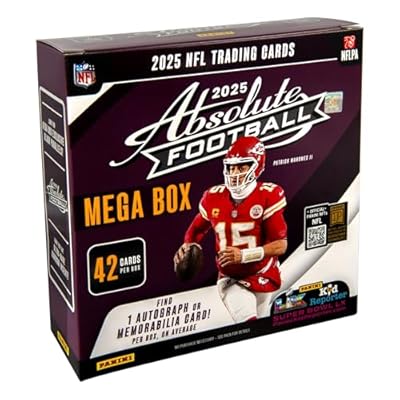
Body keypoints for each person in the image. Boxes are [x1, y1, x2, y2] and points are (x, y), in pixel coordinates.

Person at [174, 136, 288, 322]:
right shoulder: (213, 197)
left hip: (264, 271)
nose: (234, 173)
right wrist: (188, 245)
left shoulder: (268, 195)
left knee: (262, 325)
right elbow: (196, 230)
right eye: (231, 167)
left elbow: (280, 245)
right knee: (249, 324)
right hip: (231, 278)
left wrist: (243, 255)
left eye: (241, 167)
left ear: (257, 166)